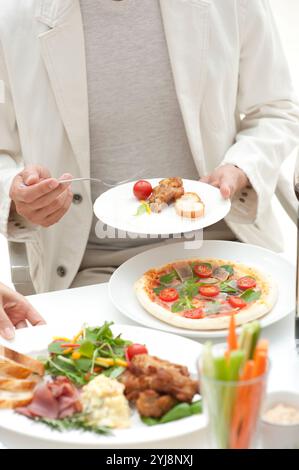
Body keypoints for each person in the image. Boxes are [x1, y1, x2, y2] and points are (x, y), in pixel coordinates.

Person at [0, 0, 298, 293]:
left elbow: (276, 110)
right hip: (92, 271)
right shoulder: (12, 14)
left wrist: (240, 167)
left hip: (224, 249)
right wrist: (17, 192)